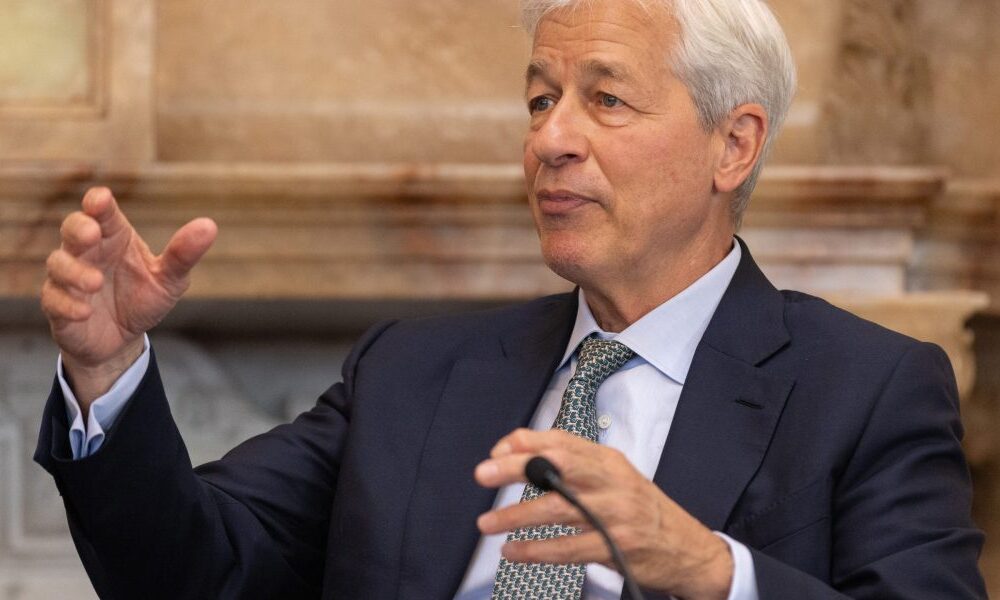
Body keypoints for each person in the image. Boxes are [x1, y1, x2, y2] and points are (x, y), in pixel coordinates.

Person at [35, 0, 986, 598]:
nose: (550, 141)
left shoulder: (866, 390)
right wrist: (107, 372)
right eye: (540, 100)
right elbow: (193, 568)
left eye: (605, 100)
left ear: (732, 144)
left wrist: (708, 570)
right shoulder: (410, 372)